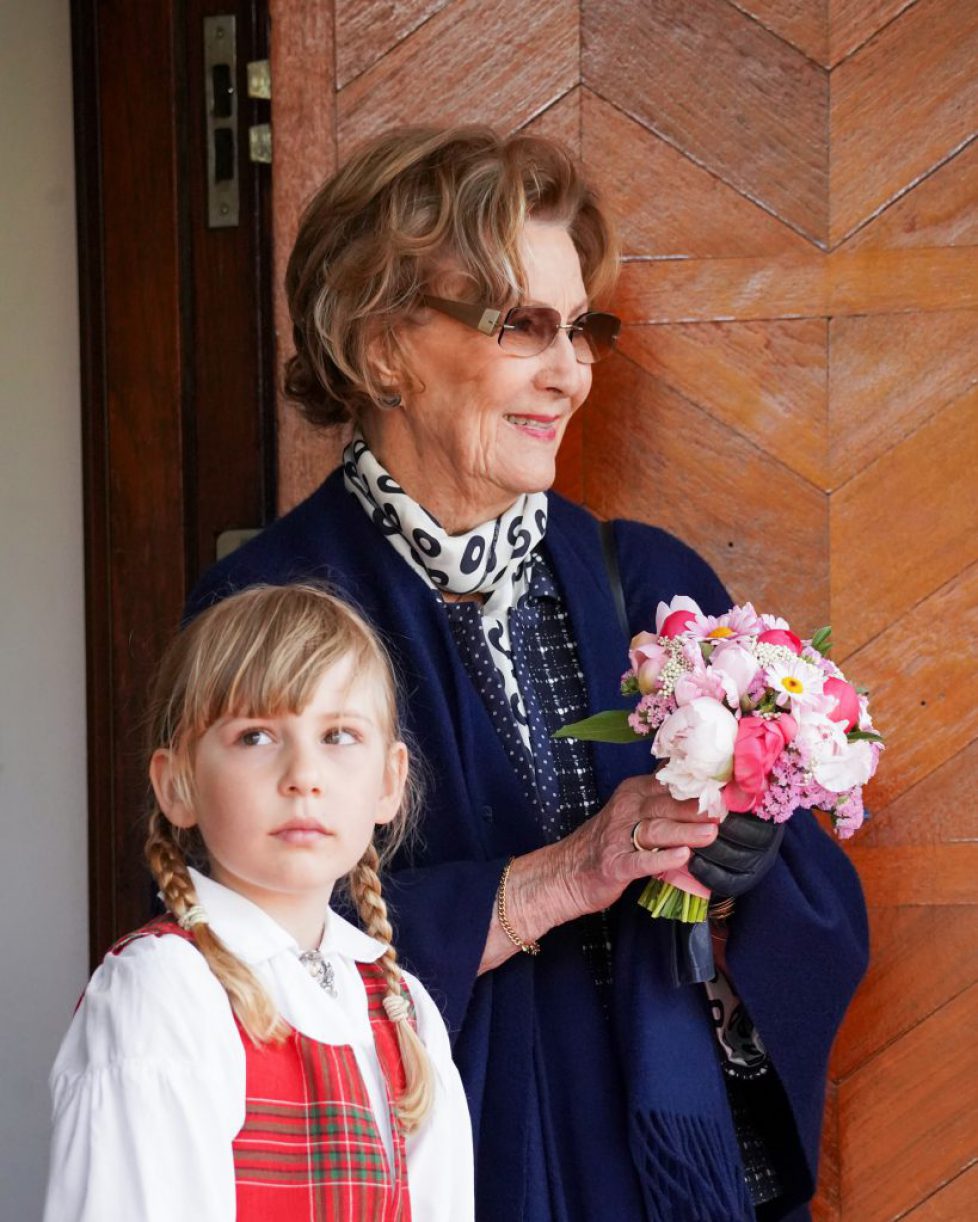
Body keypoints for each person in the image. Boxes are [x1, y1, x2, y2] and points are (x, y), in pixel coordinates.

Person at [188, 127, 869, 1221]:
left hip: (663, 1182)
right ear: (381, 347)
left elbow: (811, 918)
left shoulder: (651, 584)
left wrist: (748, 872)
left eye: (581, 327)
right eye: (523, 325)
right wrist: (554, 880)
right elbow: (232, 954)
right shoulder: (267, 612)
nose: (572, 372)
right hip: (432, 1178)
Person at [44, 583, 474, 1222]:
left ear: (389, 781)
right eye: (255, 736)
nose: (304, 775)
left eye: (338, 735)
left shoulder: (403, 1010)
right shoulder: (163, 989)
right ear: (177, 784)